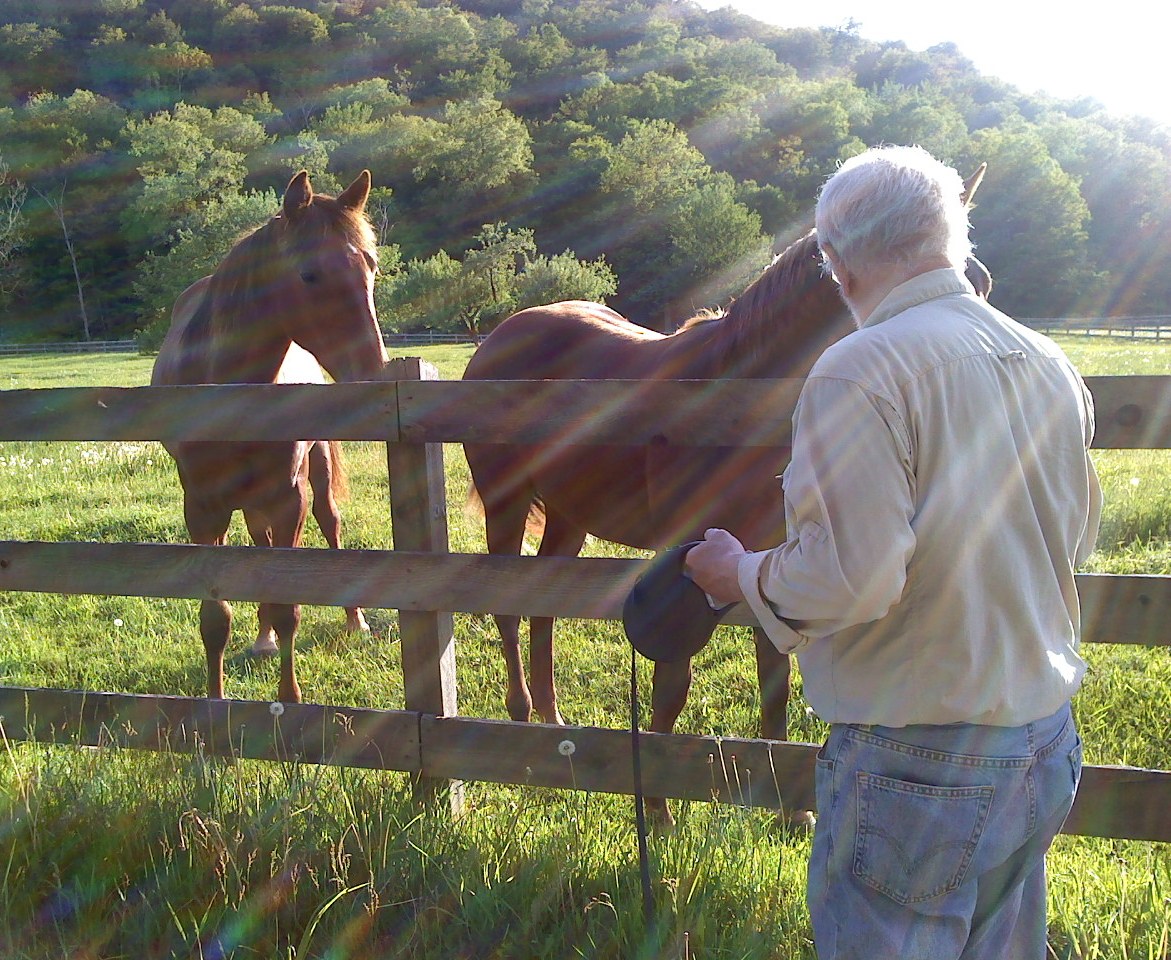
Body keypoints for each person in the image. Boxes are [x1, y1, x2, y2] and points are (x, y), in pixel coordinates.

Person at [684, 145, 1102, 959]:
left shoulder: (859, 368)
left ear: (835, 262)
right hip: (1041, 738)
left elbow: (852, 578)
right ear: (953, 241)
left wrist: (736, 572)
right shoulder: (1047, 360)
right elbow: (1073, 537)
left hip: (915, 756)